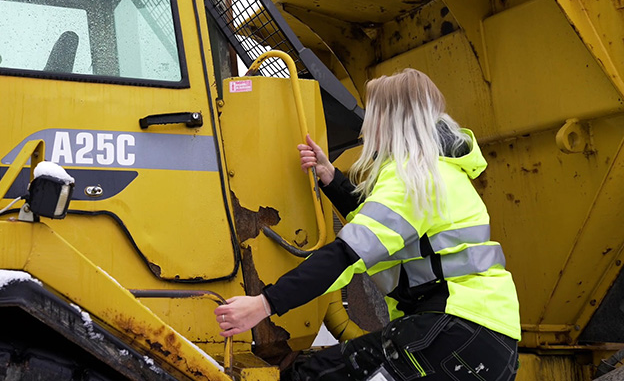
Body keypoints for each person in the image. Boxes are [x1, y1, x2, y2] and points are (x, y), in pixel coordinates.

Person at [214, 69, 520, 380]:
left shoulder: (412, 178)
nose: (366, 127)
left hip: (450, 332)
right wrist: (331, 179)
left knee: (312, 375)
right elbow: (383, 231)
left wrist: (264, 304)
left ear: (391, 121)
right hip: (487, 341)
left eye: (373, 114)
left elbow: (349, 254)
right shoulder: (441, 171)